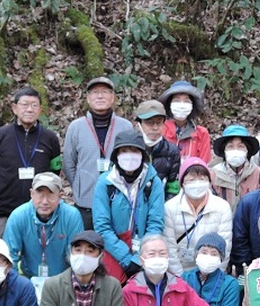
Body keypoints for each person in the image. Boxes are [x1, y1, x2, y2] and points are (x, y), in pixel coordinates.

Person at [0, 87, 62, 237]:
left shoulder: (50, 138)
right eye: (24, 104)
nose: (29, 109)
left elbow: (55, 171)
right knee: (1, 254)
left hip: (40, 211)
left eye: (34, 105)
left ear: (40, 109)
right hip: (4, 210)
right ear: (14, 108)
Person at [92, 130, 165, 283]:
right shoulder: (105, 183)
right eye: (124, 151)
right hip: (113, 252)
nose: (129, 156)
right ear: (116, 155)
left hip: (146, 254)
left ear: (142, 155)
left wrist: (141, 257)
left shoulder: (153, 182)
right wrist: (125, 257)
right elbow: (102, 227)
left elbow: (155, 223)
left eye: (134, 151)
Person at [63, 77, 134, 229]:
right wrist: (80, 184)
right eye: (95, 92)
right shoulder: (76, 127)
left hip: (118, 199)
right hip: (85, 202)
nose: (100, 96)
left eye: (104, 92)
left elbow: (133, 160)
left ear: (113, 97)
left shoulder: (125, 126)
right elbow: (69, 163)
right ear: (88, 98)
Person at [3, 172, 85, 278]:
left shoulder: (72, 216)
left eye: (51, 195)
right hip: (28, 279)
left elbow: (77, 257)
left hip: (63, 280)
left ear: (60, 196)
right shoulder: (18, 216)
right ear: (31, 194)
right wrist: (17, 285)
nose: (45, 201)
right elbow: (9, 256)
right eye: (40, 195)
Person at [163, 157, 233, 275]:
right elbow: (169, 249)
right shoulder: (169, 208)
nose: (197, 183)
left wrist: (214, 278)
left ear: (209, 182)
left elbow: (225, 247)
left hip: (212, 270)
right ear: (182, 183)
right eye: (191, 179)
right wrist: (182, 280)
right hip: (181, 272)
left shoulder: (222, 207)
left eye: (202, 179)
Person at [181, 233, 240, 306]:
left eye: (214, 254)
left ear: (220, 259)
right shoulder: (185, 278)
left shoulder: (229, 284)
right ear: (196, 255)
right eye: (204, 252)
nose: (208, 257)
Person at [134, 100, 181, 198]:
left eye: (159, 123)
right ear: (139, 124)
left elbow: (172, 186)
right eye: (149, 123)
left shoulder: (172, 151)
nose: (155, 128)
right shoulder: (129, 149)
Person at [158, 80, 211, 163]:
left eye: (186, 101)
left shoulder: (201, 133)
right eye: (177, 101)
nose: (181, 105)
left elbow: (203, 165)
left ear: (192, 106)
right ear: (170, 104)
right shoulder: (159, 129)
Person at [211, 125, 260, 212]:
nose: (235, 150)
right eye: (230, 146)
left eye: (240, 146)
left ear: (247, 150)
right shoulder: (214, 174)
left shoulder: (258, 174)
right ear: (224, 151)